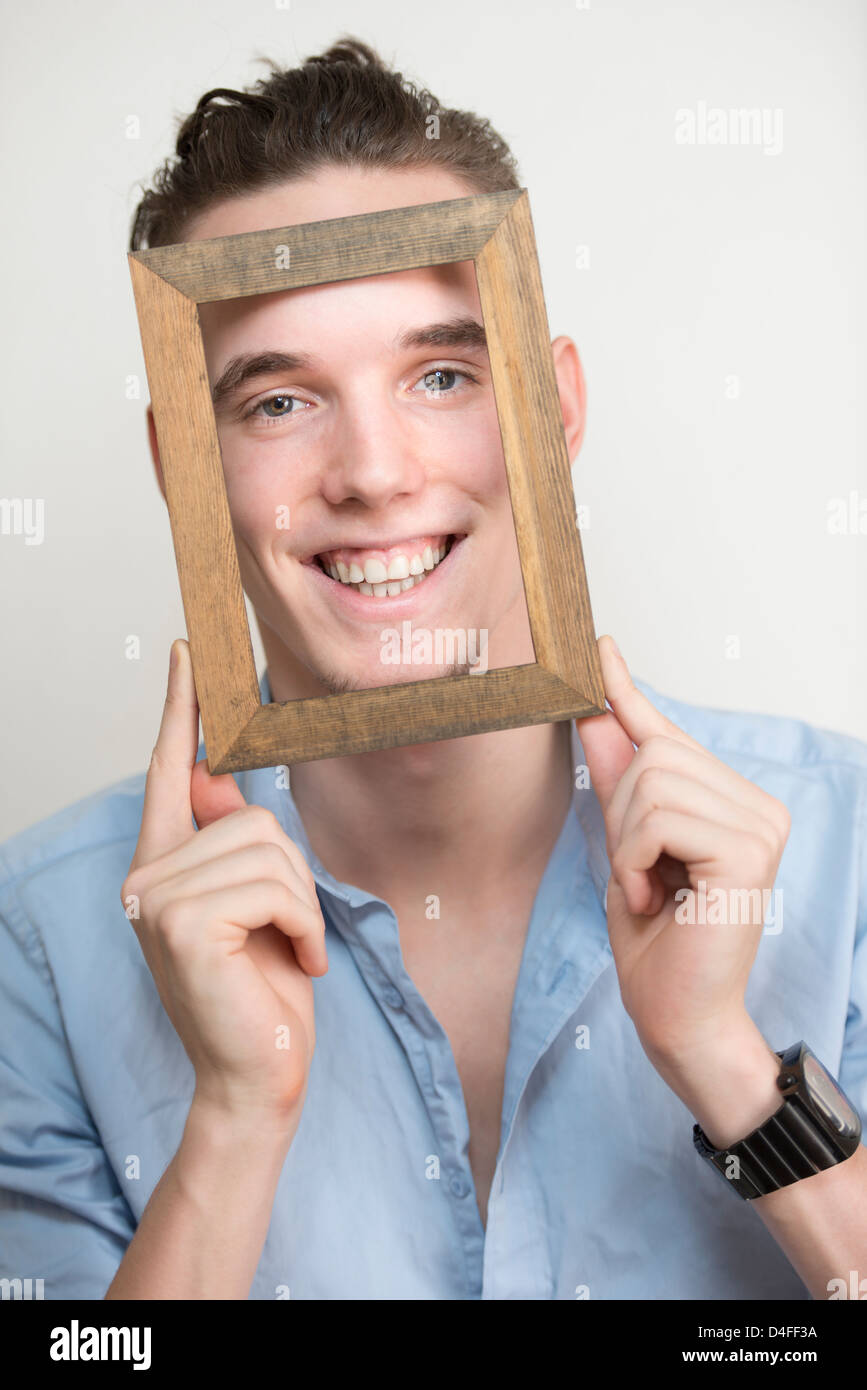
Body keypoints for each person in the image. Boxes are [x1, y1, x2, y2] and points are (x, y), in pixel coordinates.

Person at [1, 36, 865, 1303]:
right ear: (183, 463)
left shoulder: (846, 849)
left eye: (441, 373)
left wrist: (728, 1061)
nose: (376, 472)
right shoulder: (39, 943)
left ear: (555, 411)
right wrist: (234, 1125)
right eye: (278, 402)